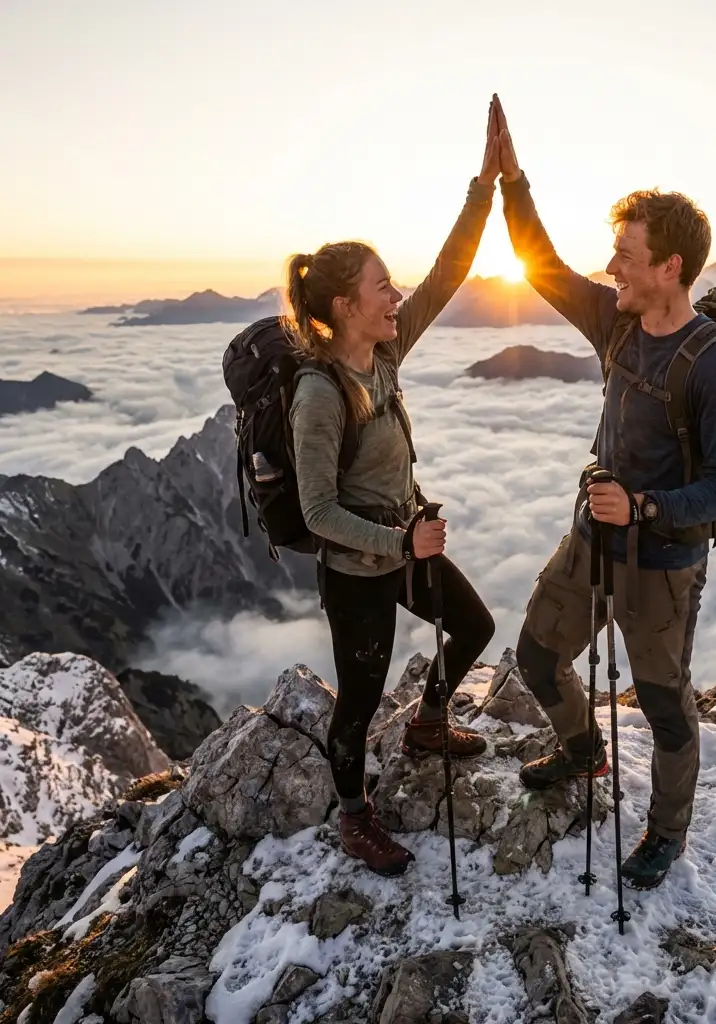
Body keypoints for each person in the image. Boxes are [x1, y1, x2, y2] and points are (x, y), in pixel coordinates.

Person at [493, 95, 716, 889]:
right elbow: (537, 262)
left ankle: (666, 834)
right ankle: (584, 753)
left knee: (666, 704)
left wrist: (644, 508)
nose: (611, 269)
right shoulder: (617, 322)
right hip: (592, 539)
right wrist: (508, 180)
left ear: (670, 267)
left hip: (663, 560)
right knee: (537, 655)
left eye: (626, 255)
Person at [285, 104, 500, 878]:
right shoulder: (319, 393)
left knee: (473, 626)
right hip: (358, 573)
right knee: (359, 701)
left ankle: (430, 724)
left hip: (406, 544)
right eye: (382, 287)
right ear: (345, 306)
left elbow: (447, 275)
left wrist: (485, 189)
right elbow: (316, 514)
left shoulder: (384, 355)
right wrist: (400, 542)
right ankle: (354, 817)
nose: (396, 294)